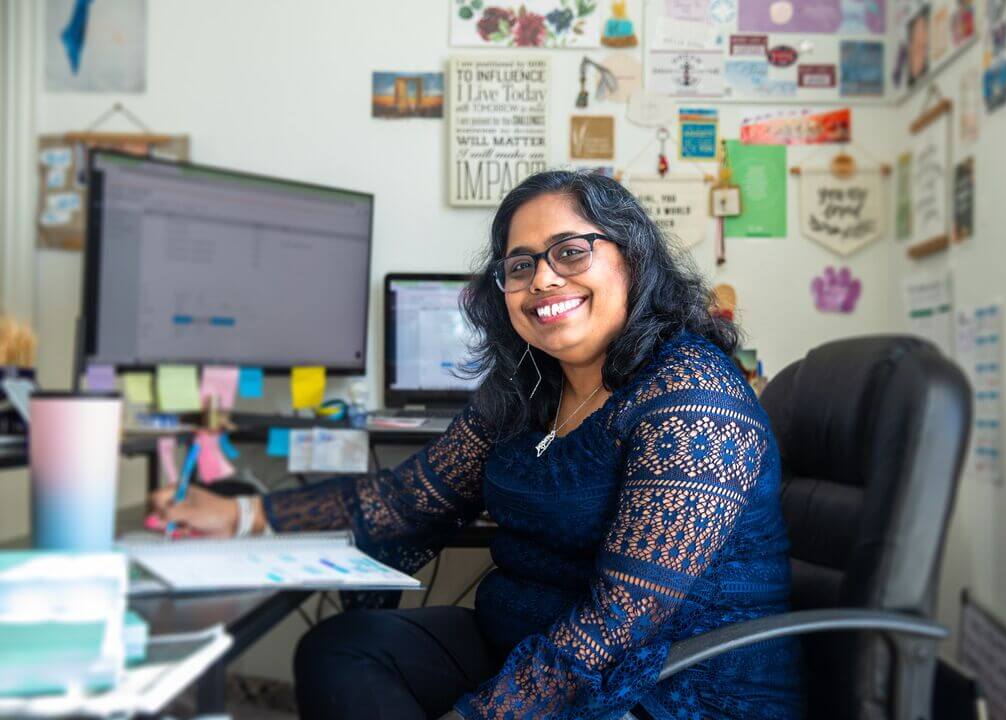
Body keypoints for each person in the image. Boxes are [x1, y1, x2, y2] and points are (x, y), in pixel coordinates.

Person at [151, 170, 803, 720]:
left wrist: (480, 715)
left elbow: (616, 624)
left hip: (666, 684)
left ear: (631, 258)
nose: (543, 280)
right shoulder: (527, 385)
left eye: (570, 252)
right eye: (520, 265)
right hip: (525, 639)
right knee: (344, 648)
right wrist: (246, 514)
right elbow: (409, 498)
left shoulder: (694, 399)